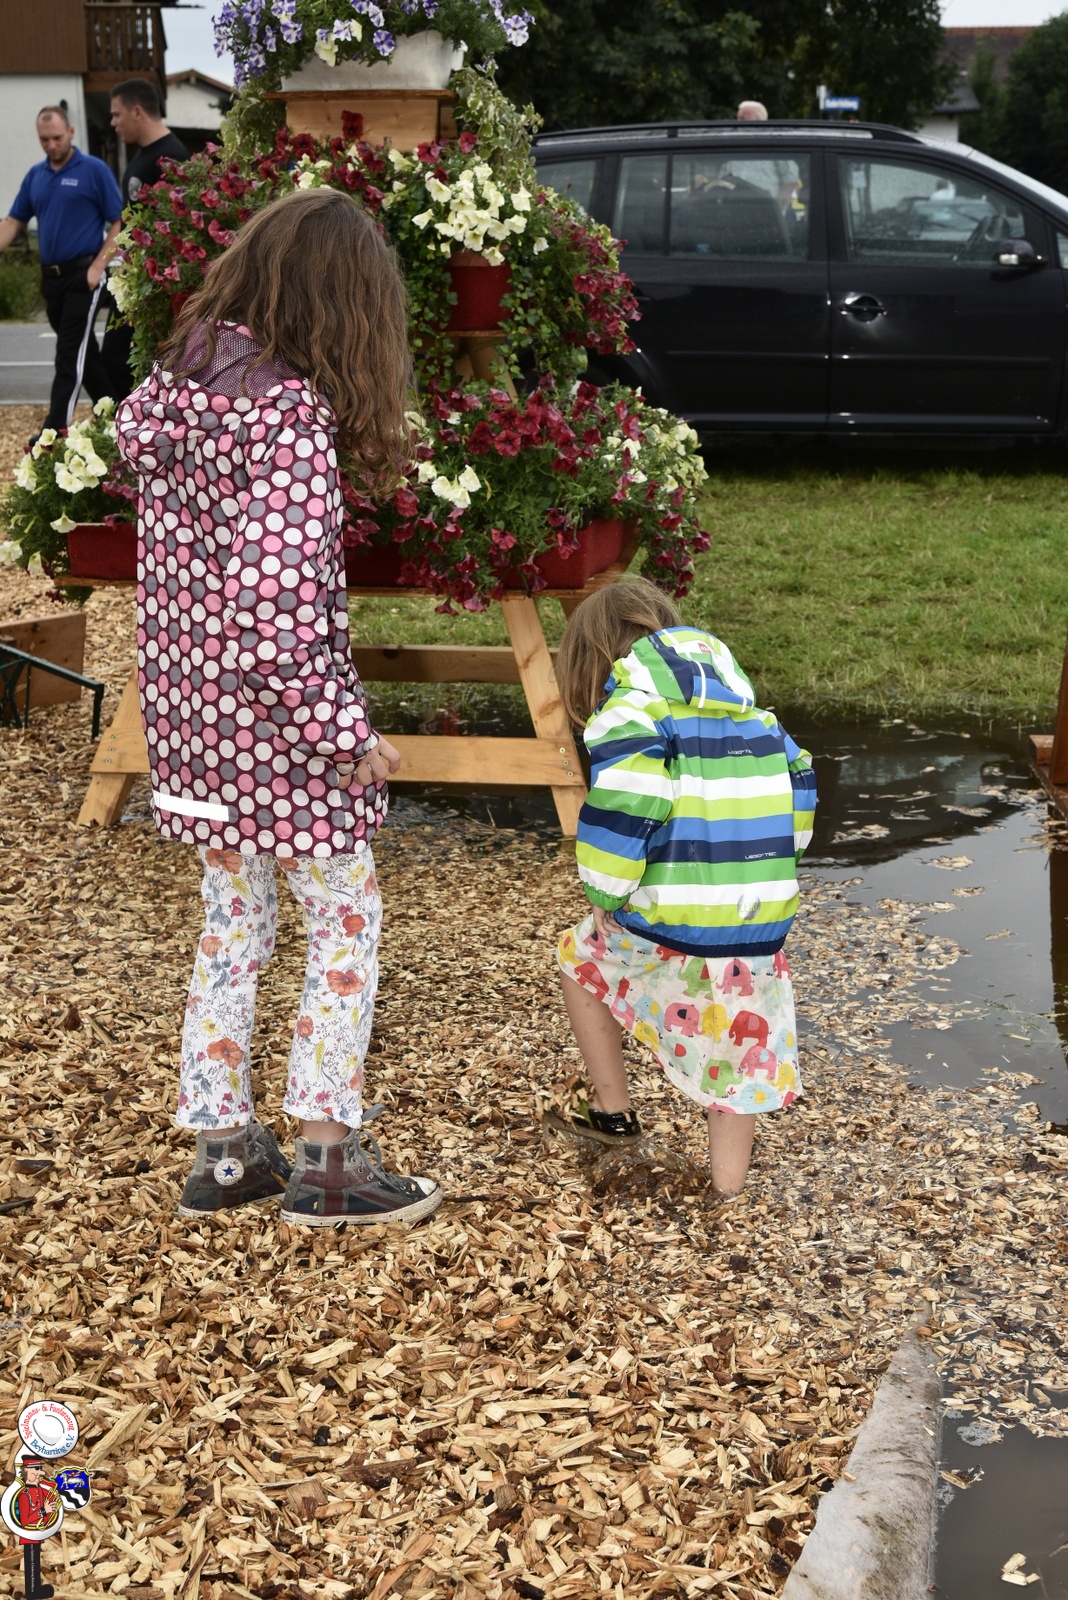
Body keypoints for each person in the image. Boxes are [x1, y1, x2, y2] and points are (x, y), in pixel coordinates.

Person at [116, 187, 442, 1228]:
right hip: (279, 737)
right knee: (343, 917)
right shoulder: (287, 417)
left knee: (233, 921)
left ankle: (223, 1156)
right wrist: (346, 736)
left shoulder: (174, 392)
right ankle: (328, 1159)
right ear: (342, 304)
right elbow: (275, 618)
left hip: (196, 734)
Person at [547, 578, 817, 1196]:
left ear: (590, 661)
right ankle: (728, 1190)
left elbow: (625, 811)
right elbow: (800, 786)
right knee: (738, 1054)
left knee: (580, 961)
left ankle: (611, 1112)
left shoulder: (632, 714)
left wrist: (606, 892)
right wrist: (770, 865)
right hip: (755, 928)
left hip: (673, 922)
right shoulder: (756, 719)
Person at [0, 106, 123, 433]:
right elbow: (13, 222)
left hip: (83, 277)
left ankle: (53, 433)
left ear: (70, 132)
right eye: (44, 140)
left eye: (56, 137)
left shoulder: (94, 170)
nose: (51, 145)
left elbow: (118, 221)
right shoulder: (35, 176)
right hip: (51, 280)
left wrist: (98, 267)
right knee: (86, 355)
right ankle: (118, 416)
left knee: (68, 354)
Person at [101, 78, 189, 401]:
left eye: (116, 114)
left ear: (137, 111)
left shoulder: (171, 157)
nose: (113, 122)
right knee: (114, 358)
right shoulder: (142, 155)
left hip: (153, 285)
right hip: (133, 281)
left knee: (122, 359)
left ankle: (136, 422)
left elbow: (178, 227)